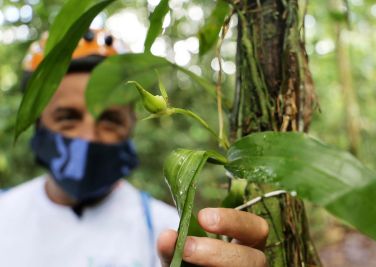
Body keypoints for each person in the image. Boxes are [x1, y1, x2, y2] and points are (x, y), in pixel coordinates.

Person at [0, 29, 268, 267]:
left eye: (109, 119)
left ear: (131, 124)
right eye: (68, 117)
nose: (89, 136)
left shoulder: (173, 235)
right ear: (37, 123)